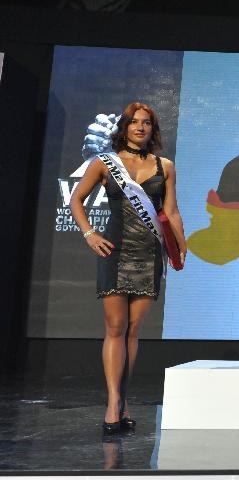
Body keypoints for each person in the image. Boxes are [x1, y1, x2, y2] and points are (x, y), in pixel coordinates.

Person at [70, 102, 187, 435]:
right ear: (124, 127)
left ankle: (123, 401)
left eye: (146, 122)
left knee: (133, 330)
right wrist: (89, 233)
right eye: (134, 122)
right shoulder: (105, 163)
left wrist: (180, 246)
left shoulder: (165, 166)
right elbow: (76, 200)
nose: (140, 127)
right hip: (115, 250)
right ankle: (112, 402)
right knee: (115, 327)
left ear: (153, 129)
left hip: (149, 253)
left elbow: (171, 211)